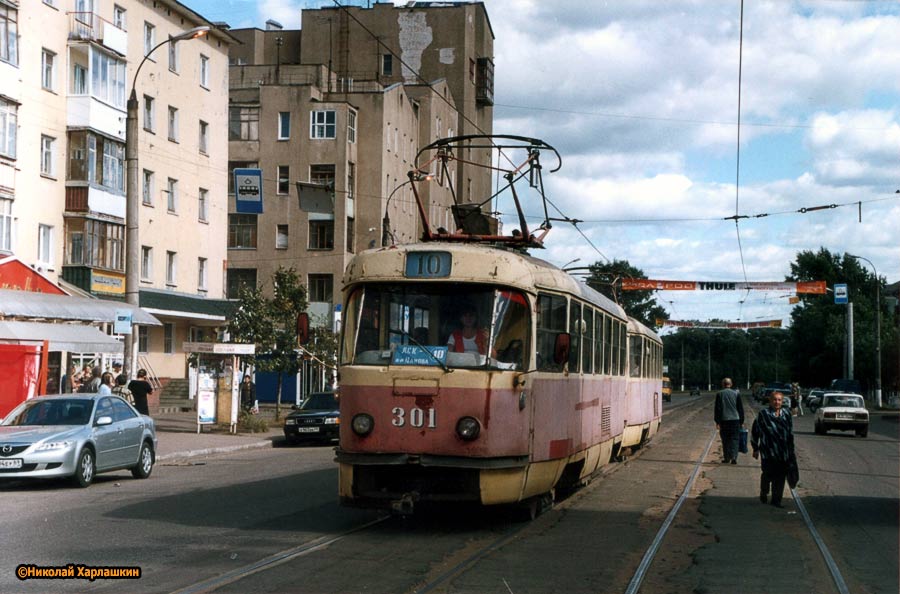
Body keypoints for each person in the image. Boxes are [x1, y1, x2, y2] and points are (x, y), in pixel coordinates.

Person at [751, 391, 795, 508]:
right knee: (767, 475)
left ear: (782, 401)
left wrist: (791, 450)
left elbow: (790, 433)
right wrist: (755, 448)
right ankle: (764, 491)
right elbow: (755, 431)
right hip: (768, 452)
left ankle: (776, 500)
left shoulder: (786, 414)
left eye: (779, 400)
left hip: (783, 453)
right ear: (770, 401)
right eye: (774, 400)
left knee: (780, 477)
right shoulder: (763, 415)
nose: (777, 402)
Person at [714, 377, 745, 464]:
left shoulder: (719, 394)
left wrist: (717, 422)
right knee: (735, 439)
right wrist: (742, 421)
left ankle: (727, 458)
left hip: (724, 420)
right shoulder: (736, 394)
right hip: (735, 420)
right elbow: (740, 408)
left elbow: (718, 409)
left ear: (723, 384)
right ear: (731, 385)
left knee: (725, 439)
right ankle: (734, 457)